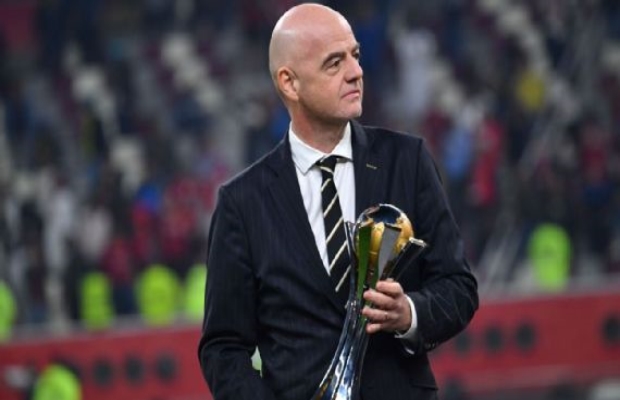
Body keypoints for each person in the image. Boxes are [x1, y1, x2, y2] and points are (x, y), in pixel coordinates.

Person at [198, 3, 478, 400]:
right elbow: (223, 348)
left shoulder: (407, 161)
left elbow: (459, 288)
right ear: (289, 83)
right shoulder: (242, 203)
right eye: (334, 63)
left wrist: (409, 314)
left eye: (355, 55)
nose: (355, 72)